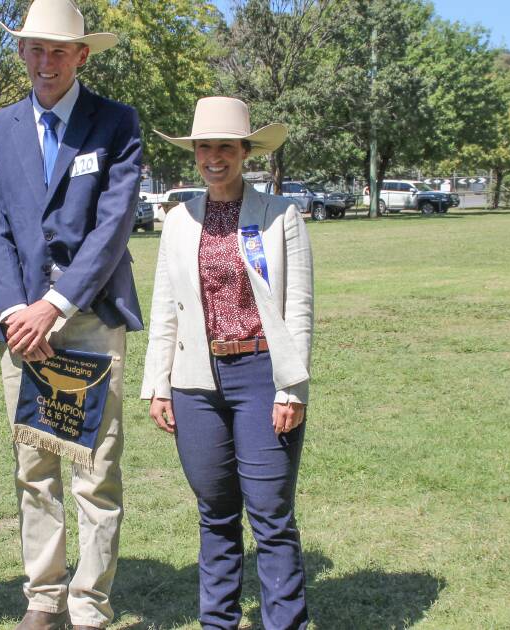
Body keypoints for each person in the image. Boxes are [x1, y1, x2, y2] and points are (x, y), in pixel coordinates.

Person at [0, 1, 143, 628]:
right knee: (34, 466)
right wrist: (19, 309)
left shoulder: (117, 124)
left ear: (82, 56)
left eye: (58, 51)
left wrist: (55, 304)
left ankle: (90, 603)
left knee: (94, 469)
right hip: (20, 322)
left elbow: (112, 227)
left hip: (89, 313)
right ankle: (43, 600)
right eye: (35, 50)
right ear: (21, 54)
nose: (45, 63)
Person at [140, 96, 314, 629]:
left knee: (269, 513)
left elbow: (299, 306)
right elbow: (168, 307)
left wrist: (293, 389)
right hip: (195, 382)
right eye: (205, 147)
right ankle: (218, 621)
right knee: (215, 513)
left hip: (263, 374)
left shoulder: (280, 215)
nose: (215, 157)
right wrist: (159, 385)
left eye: (226, 147)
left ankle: (285, 622)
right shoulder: (178, 219)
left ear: (244, 152)